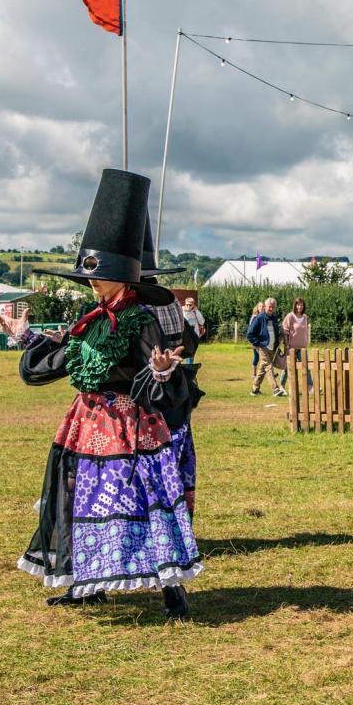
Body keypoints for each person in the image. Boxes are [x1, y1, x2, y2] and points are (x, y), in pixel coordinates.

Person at [0, 169, 201, 617]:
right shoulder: (91, 321)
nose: (92, 283)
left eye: (100, 276)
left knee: (145, 500)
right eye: (89, 276)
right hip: (85, 425)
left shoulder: (139, 319)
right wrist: (26, 338)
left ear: (124, 280)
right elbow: (50, 367)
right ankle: (84, 584)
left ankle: (172, 591)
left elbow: (158, 380)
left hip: (129, 426)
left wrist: (163, 371)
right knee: (76, 496)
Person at [138, 215, 203, 518]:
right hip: (177, 396)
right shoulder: (171, 302)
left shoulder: (137, 306)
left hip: (150, 399)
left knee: (153, 470)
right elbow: (190, 344)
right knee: (174, 465)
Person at [247, 297, 285, 396]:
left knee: (262, 369)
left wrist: (278, 342)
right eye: (269, 307)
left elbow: (275, 332)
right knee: (268, 366)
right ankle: (275, 389)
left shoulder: (274, 318)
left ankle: (255, 389)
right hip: (262, 347)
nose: (271, 309)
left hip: (272, 347)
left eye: (273, 307)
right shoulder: (259, 318)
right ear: (265, 306)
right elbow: (250, 334)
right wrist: (257, 344)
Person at [279, 297, 313, 393]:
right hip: (291, 348)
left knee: (306, 367)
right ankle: (281, 386)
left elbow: (305, 331)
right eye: (298, 304)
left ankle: (310, 387)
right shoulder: (290, 316)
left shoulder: (305, 317)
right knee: (287, 367)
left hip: (302, 347)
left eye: (301, 305)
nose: (300, 307)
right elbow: (285, 330)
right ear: (295, 305)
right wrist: (286, 344)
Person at [181, 296, 206, 363]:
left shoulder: (196, 312)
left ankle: (188, 369)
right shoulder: (181, 311)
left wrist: (196, 311)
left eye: (190, 305)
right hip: (183, 336)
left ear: (193, 305)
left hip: (194, 337)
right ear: (185, 304)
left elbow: (202, 322)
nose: (188, 306)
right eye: (187, 304)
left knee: (191, 355)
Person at [248, 302, 264, 376]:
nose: (261, 307)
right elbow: (251, 330)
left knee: (261, 357)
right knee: (258, 357)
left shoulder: (264, 316)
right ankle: (255, 374)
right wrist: (253, 341)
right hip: (256, 340)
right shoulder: (254, 317)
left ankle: (258, 374)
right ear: (257, 307)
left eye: (263, 306)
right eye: (260, 306)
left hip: (262, 340)